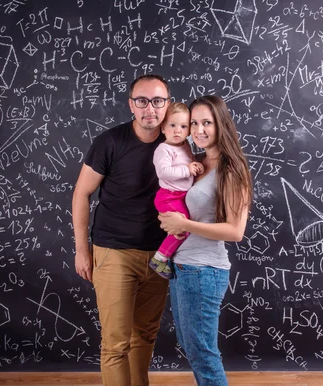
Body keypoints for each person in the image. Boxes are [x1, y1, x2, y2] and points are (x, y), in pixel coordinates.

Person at [72, 74, 172, 386]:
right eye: (142, 101)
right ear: (131, 105)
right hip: (114, 252)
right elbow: (81, 194)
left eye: (157, 101)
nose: (150, 109)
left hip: (159, 257)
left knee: (144, 336)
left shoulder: (177, 145)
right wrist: (82, 250)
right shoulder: (110, 142)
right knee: (116, 343)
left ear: (167, 105)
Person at [158, 95, 253, 386]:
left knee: (202, 352)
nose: (199, 130)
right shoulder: (195, 162)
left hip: (204, 271)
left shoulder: (232, 170)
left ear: (221, 124)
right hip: (182, 268)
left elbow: (236, 231)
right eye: (194, 123)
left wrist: (184, 224)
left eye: (207, 123)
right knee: (193, 349)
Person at [149, 102, 205, 279]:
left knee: (184, 226)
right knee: (182, 228)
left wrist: (195, 165)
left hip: (181, 196)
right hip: (168, 197)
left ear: (188, 130)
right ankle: (160, 258)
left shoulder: (185, 145)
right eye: (172, 125)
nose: (177, 131)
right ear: (163, 127)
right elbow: (164, 172)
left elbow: (188, 163)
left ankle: (167, 256)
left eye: (183, 126)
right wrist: (187, 170)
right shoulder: (163, 149)